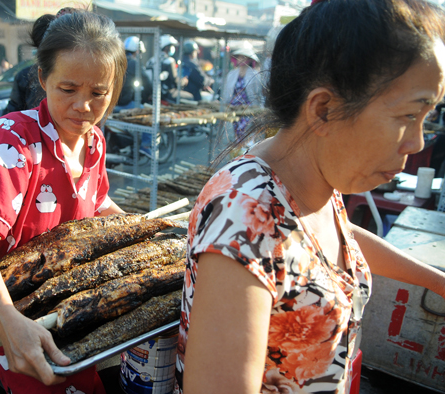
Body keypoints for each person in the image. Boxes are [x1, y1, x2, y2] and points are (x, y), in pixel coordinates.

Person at [176, 0, 445, 393]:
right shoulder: (243, 216)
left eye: (427, 118)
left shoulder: (308, 179)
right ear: (323, 110)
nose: (417, 141)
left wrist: (436, 281)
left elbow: (331, 245)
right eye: (408, 116)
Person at [0, 10, 126, 394]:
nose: (84, 106)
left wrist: (153, 233)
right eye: (68, 89)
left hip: (70, 296)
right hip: (12, 299)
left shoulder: (94, 140)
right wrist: (5, 318)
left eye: (99, 93)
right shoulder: (13, 139)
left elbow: (98, 204)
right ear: (42, 78)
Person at [220, 43, 265, 140]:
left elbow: (259, 94)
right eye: (239, 57)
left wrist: (259, 110)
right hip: (233, 109)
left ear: (249, 60)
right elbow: (226, 92)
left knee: (245, 136)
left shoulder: (255, 75)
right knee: (232, 136)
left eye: (244, 57)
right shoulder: (231, 74)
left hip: (248, 109)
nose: (241, 59)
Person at [146, 34, 192, 103]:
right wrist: (184, 81)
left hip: (152, 93)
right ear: (167, 47)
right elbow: (175, 80)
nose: (173, 48)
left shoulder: (150, 60)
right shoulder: (169, 61)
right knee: (190, 97)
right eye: (172, 46)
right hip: (166, 94)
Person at [115, 36, 152, 111]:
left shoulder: (118, 61)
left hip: (114, 102)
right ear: (137, 51)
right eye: (140, 52)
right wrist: (151, 93)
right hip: (125, 103)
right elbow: (146, 81)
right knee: (146, 110)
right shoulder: (134, 63)